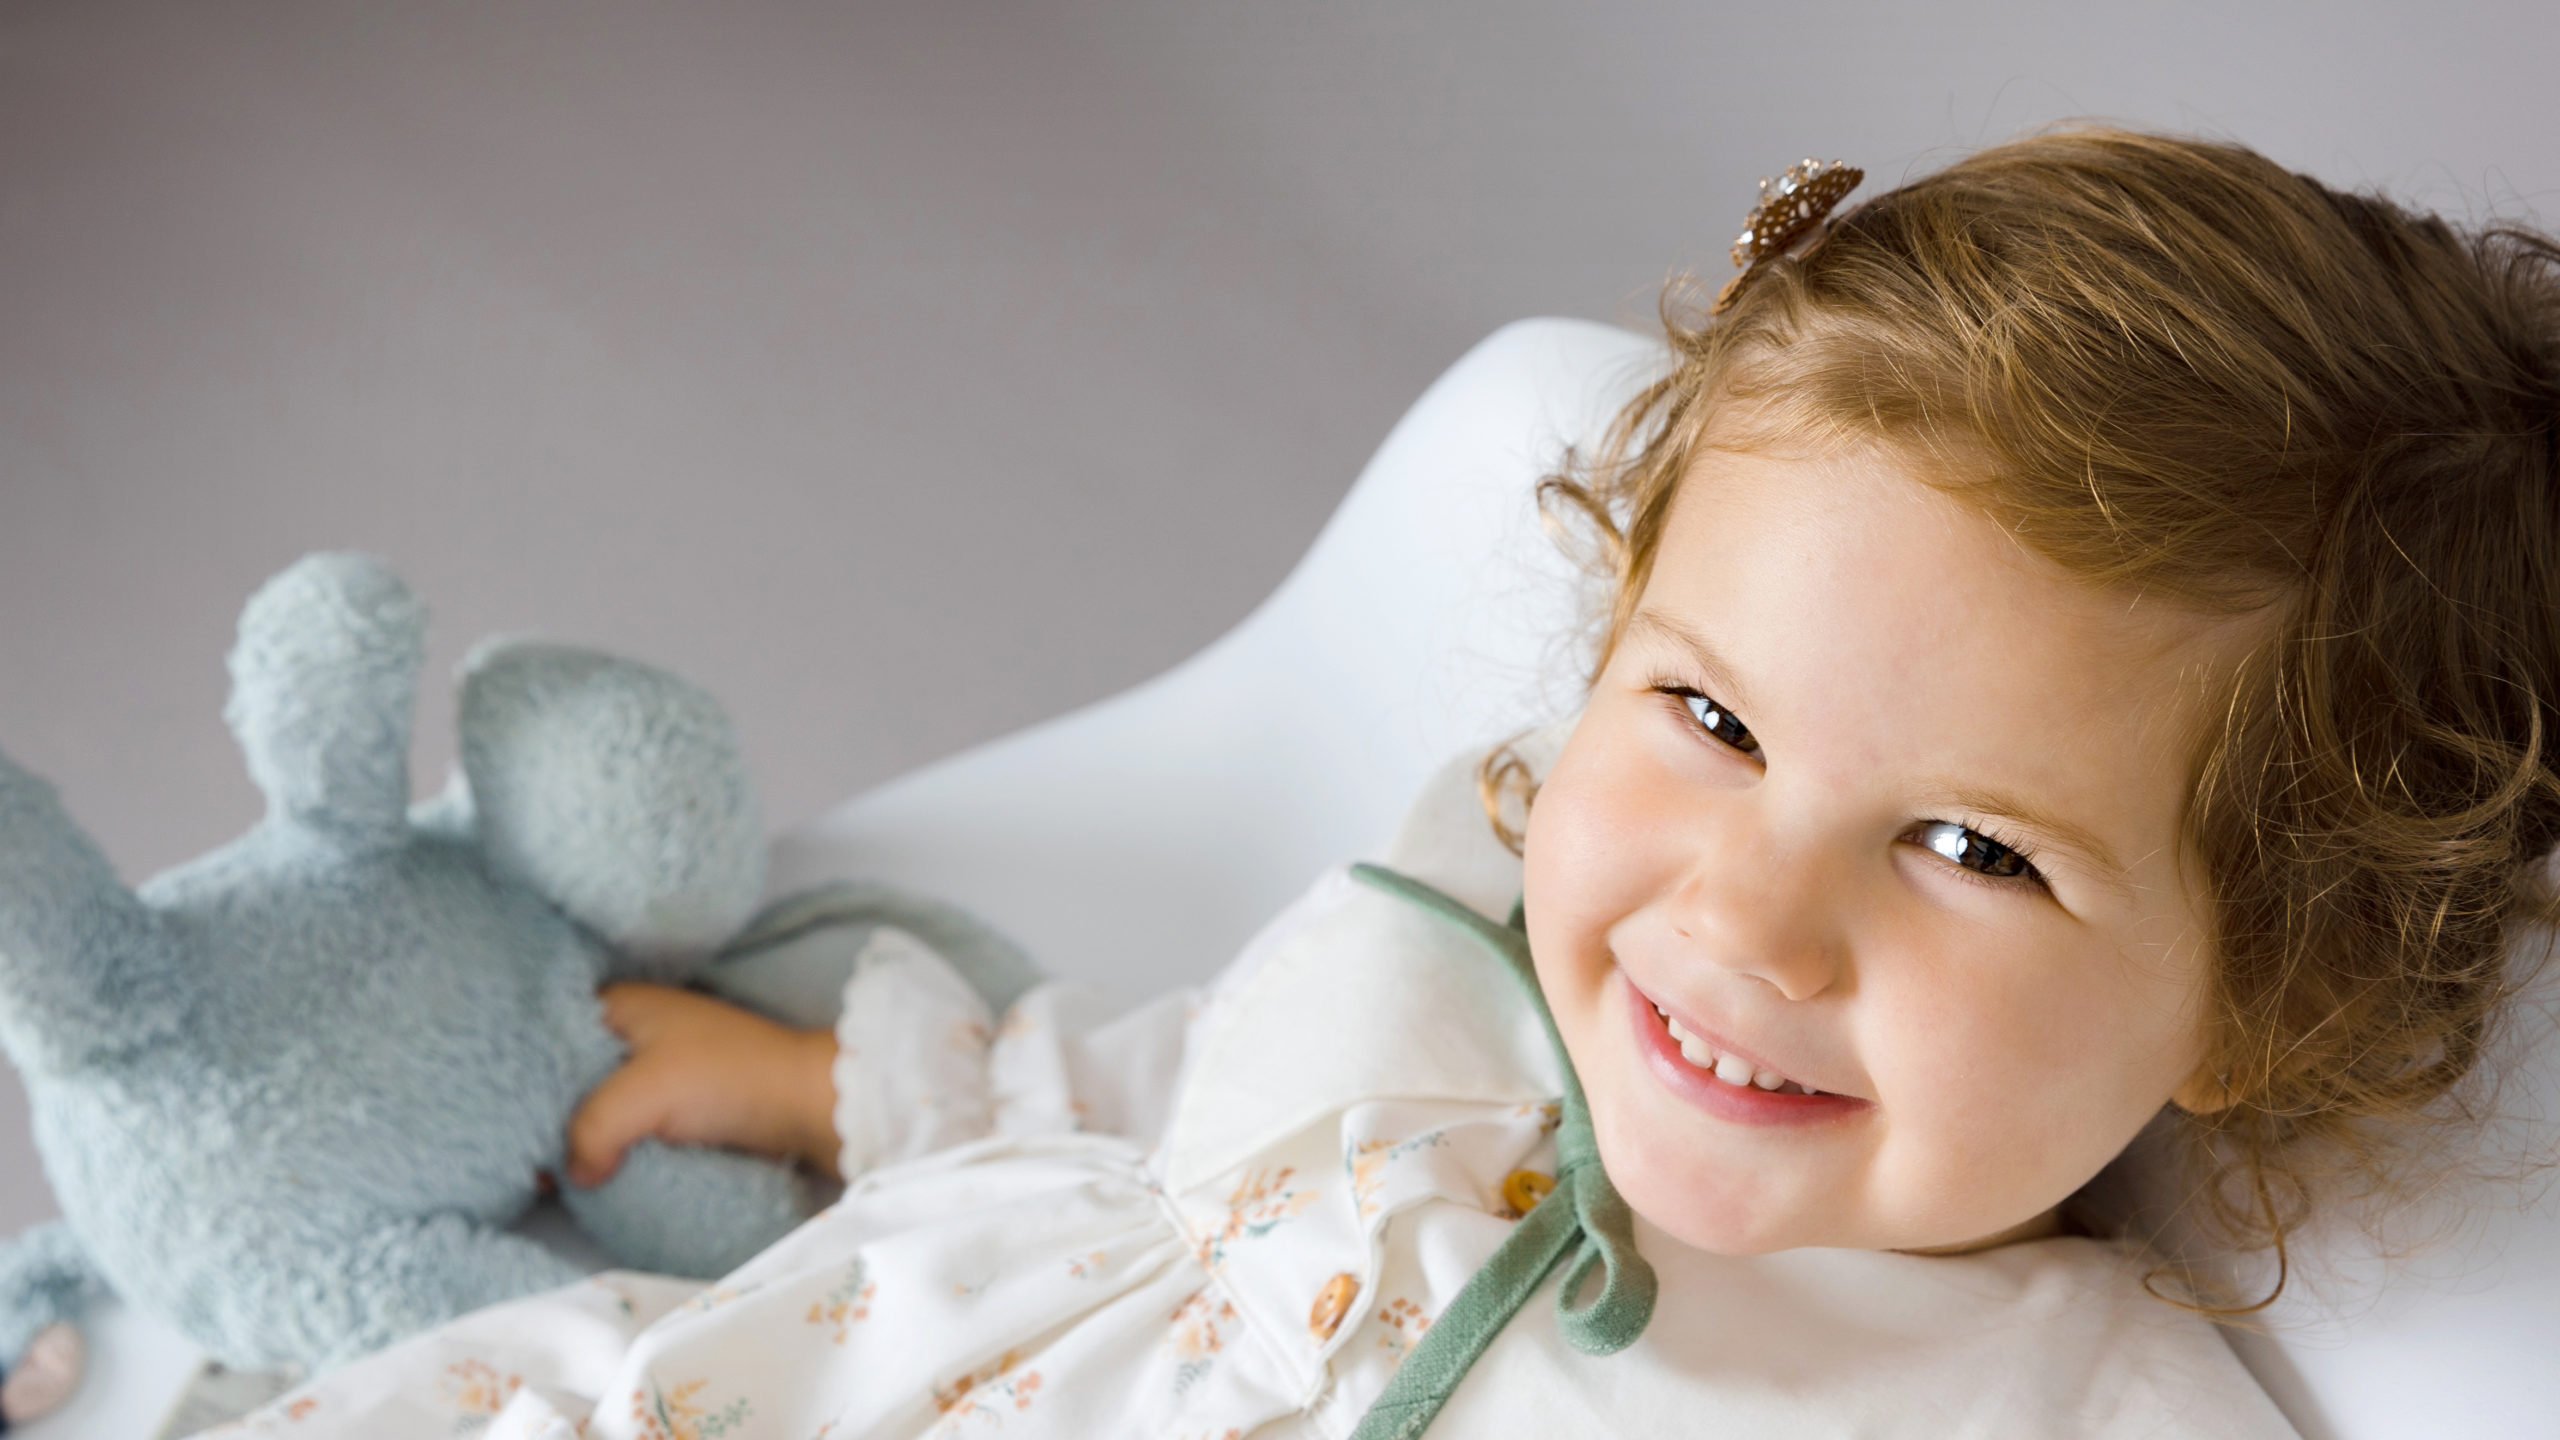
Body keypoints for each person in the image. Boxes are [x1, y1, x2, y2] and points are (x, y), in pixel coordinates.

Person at [208, 126, 2560, 1438]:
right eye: (1708, 720)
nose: (1741, 916)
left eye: (1967, 850)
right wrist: (830, 1085)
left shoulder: (2061, 1413)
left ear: (2262, 990)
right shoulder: (1464, 900)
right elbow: (1163, 1097)